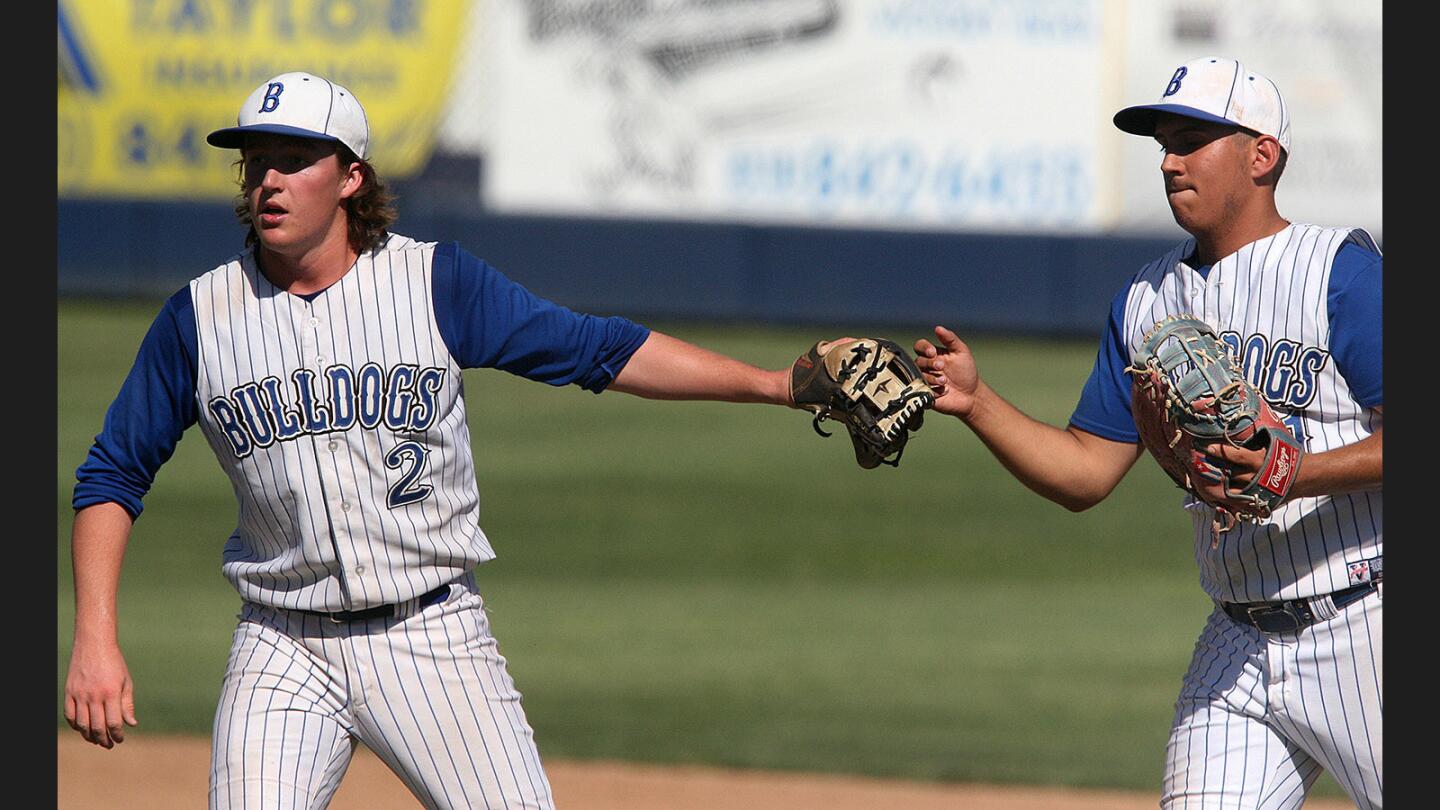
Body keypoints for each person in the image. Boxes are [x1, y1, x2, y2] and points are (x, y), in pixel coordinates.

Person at [61, 71, 837, 810]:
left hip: (429, 633)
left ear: (351, 177)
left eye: (295, 161)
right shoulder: (199, 318)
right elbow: (111, 476)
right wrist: (95, 637)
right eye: (256, 161)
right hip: (281, 644)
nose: (268, 180)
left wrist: (772, 383)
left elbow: (599, 349)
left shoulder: (434, 283)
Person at [915, 56, 1381, 808]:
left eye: (1192, 138)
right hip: (1238, 644)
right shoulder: (1144, 296)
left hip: (1368, 625)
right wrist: (977, 403)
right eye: (1162, 142)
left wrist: (1297, 472)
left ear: (1261, 155)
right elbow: (1084, 474)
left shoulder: (1341, 274)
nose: (1169, 161)